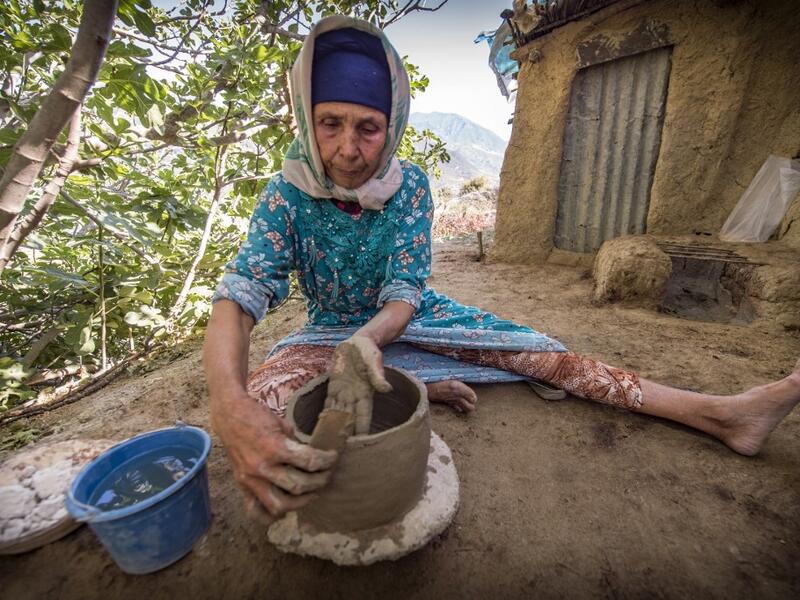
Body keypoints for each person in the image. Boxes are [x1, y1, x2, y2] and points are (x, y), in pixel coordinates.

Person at [203, 16, 800, 523]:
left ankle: (721, 414)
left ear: (392, 127)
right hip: (330, 334)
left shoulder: (408, 185)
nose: (348, 149)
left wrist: (371, 342)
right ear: (307, 121)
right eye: (330, 123)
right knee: (263, 399)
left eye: (368, 128)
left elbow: (406, 289)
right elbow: (242, 292)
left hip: (407, 322)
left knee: (547, 359)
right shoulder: (284, 195)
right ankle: (416, 392)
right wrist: (227, 404)